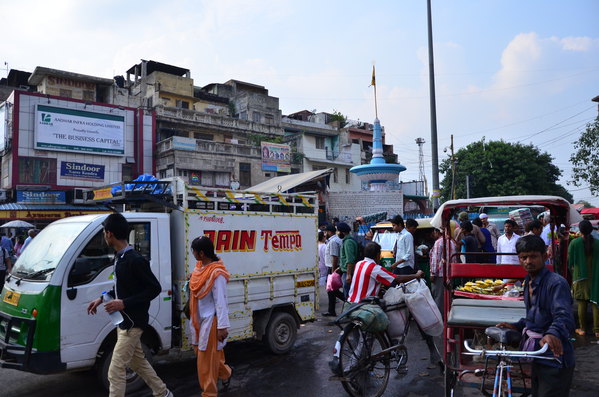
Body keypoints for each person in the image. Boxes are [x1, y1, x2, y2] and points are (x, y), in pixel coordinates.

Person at [87, 213, 172, 397]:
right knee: (138, 362)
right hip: (123, 322)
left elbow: (154, 289)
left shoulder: (135, 259)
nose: (104, 236)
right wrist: (102, 298)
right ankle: (163, 393)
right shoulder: (120, 257)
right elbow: (121, 286)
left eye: (104, 232)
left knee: (115, 370)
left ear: (109, 234)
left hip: (133, 323)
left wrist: (123, 303)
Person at [496, 235, 575, 397]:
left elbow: (564, 316)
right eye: (523, 257)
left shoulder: (556, 283)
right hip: (537, 356)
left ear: (545, 256)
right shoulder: (528, 282)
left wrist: (552, 334)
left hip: (555, 357)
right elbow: (535, 318)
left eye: (533, 256)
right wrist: (517, 326)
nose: (528, 261)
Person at [188, 236, 233, 396]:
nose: (192, 254)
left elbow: (221, 302)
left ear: (201, 253)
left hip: (212, 322)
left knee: (205, 362)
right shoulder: (199, 268)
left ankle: (209, 393)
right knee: (209, 356)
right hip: (199, 320)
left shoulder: (216, 273)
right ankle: (226, 373)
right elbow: (196, 281)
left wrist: (222, 327)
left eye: (193, 251)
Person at [347, 242, 423, 303]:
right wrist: (416, 275)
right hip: (364, 304)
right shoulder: (375, 268)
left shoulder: (359, 263)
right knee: (386, 321)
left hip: (350, 301)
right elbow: (397, 279)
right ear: (377, 255)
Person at [568, 220, 599, 337]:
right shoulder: (597, 243)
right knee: (596, 303)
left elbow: (570, 262)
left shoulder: (574, 243)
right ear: (591, 230)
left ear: (580, 230)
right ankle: (597, 330)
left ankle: (582, 329)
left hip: (580, 277)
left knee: (582, 304)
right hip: (596, 277)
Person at [429, 227, 457, 314]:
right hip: (449, 273)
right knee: (447, 297)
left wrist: (433, 273)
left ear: (436, 232)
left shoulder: (438, 242)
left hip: (440, 274)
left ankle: (440, 319)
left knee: (438, 298)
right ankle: (447, 315)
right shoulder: (451, 242)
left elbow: (435, 259)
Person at [323, 225, 345, 316]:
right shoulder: (335, 240)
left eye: (325, 232)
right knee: (331, 290)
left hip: (334, 268)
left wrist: (333, 272)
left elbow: (335, 257)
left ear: (329, 232)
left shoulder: (333, 241)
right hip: (335, 268)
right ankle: (331, 311)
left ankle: (348, 300)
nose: (325, 234)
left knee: (332, 289)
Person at [337, 222, 359, 298]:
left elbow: (350, 260)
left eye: (338, 231)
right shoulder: (346, 241)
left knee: (348, 296)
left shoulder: (348, 242)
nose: (337, 233)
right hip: (346, 271)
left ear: (342, 232)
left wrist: (349, 275)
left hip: (348, 273)